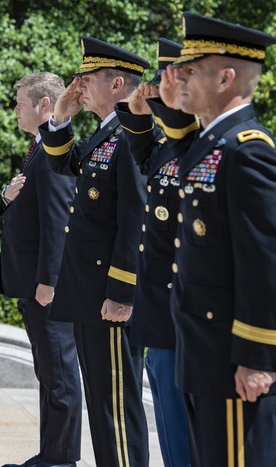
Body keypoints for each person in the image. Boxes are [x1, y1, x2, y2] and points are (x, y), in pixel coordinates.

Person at [163, 12, 276, 466]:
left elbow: (272, 264)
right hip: (206, 354)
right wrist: (171, 107)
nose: (180, 78)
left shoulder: (249, 151)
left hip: (234, 361)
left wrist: (258, 357)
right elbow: (185, 163)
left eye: (190, 71)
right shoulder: (214, 141)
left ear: (225, 77)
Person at [39, 37, 150, 467]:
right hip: (90, 294)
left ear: (117, 84)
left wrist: (123, 292)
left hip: (110, 296)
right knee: (103, 407)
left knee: (116, 410)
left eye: (87, 80)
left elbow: (135, 222)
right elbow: (66, 164)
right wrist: (61, 116)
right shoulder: (107, 135)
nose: (78, 86)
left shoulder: (132, 138)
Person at [116, 38, 198, 467]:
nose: (159, 88)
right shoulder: (171, 146)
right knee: (167, 423)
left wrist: (162, 109)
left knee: (184, 432)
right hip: (160, 307)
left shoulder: (201, 143)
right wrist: (136, 108)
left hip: (183, 309)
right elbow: (145, 154)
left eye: (169, 81)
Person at [0, 72, 82, 467]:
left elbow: (57, 222)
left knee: (60, 376)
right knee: (49, 376)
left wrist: (49, 281)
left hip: (46, 285)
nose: (15, 109)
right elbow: (28, 207)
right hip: (34, 282)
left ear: (44, 105)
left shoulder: (52, 152)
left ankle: (61, 460)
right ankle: (51, 454)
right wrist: (5, 196)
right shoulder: (37, 148)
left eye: (20, 103)